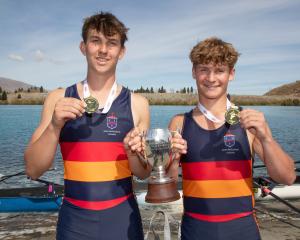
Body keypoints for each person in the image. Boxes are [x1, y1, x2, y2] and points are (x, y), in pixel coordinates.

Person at [24, 12, 150, 240]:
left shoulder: (138, 104)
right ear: (83, 47)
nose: (103, 50)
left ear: (121, 51)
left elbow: (143, 172)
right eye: (95, 41)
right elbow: (33, 170)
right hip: (75, 223)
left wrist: (134, 153)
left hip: (123, 221)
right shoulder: (58, 98)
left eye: (112, 43)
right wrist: (54, 126)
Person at [167, 37, 296, 240]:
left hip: (243, 230)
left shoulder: (250, 122)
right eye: (204, 69)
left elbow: (287, 177)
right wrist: (173, 160)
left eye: (219, 70)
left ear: (231, 74)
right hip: (196, 231)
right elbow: (169, 185)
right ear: (194, 72)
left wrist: (266, 139)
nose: (211, 78)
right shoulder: (179, 123)